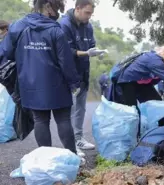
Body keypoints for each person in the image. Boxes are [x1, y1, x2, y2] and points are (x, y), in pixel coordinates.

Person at [2, 0, 82, 161]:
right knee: (63, 119)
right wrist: (74, 83)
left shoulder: (18, 26)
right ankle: (73, 159)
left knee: (40, 120)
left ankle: (46, 160)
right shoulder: (56, 31)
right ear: (47, 6)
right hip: (56, 83)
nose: (58, 12)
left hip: (29, 83)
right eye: (57, 8)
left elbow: (7, 53)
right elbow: (65, 62)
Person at [59, 0, 103, 156]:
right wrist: (86, 53)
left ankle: (78, 138)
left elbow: (91, 44)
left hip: (84, 71)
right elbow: (66, 51)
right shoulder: (64, 25)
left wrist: (97, 52)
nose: (89, 17)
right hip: (69, 73)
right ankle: (70, 145)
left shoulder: (88, 26)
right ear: (77, 9)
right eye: (87, 13)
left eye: (91, 13)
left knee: (81, 107)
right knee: (70, 109)